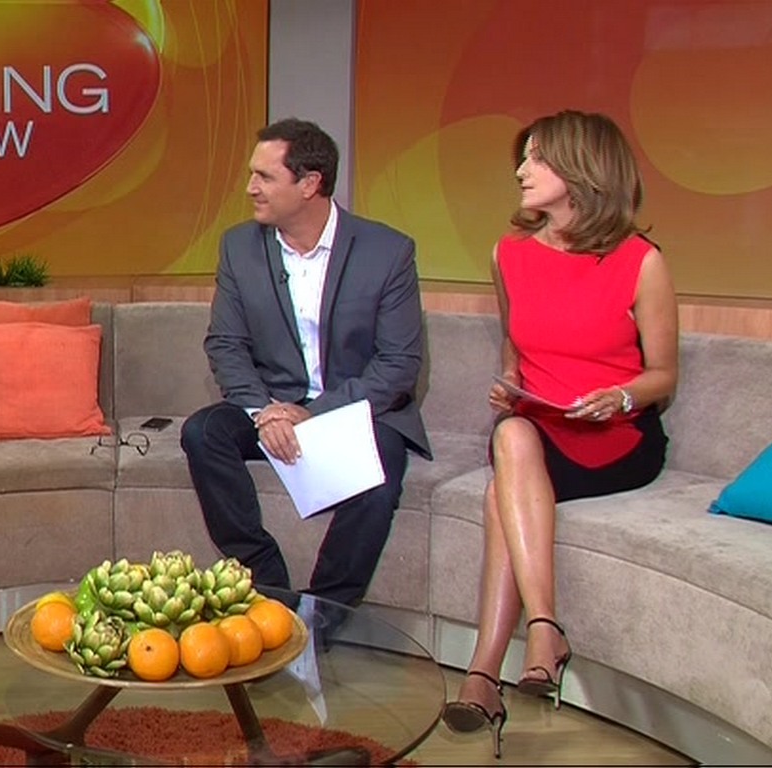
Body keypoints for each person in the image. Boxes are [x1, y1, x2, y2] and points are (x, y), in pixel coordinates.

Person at [441, 110, 678, 758]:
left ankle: (484, 673)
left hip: (617, 436)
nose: (521, 171)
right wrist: (509, 382)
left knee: (501, 487)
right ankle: (543, 632)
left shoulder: (641, 261)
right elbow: (517, 349)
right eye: (523, 158)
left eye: (537, 158)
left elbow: (663, 375)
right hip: (537, 427)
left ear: (580, 169)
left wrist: (620, 396)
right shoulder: (509, 254)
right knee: (513, 437)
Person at [180, 118, 431, 619]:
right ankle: (268, 587)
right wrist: (265, 411)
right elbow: (226, 344)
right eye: (252, 175)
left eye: (265, 177)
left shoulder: (387, 252)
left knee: (379, 472)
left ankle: (322, 614)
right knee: (202, 433)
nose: (250, 188)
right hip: (271, 404)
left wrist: (312, 413)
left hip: (354, 410)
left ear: (310, 183)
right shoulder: (239, 247)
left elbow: (398, 364)